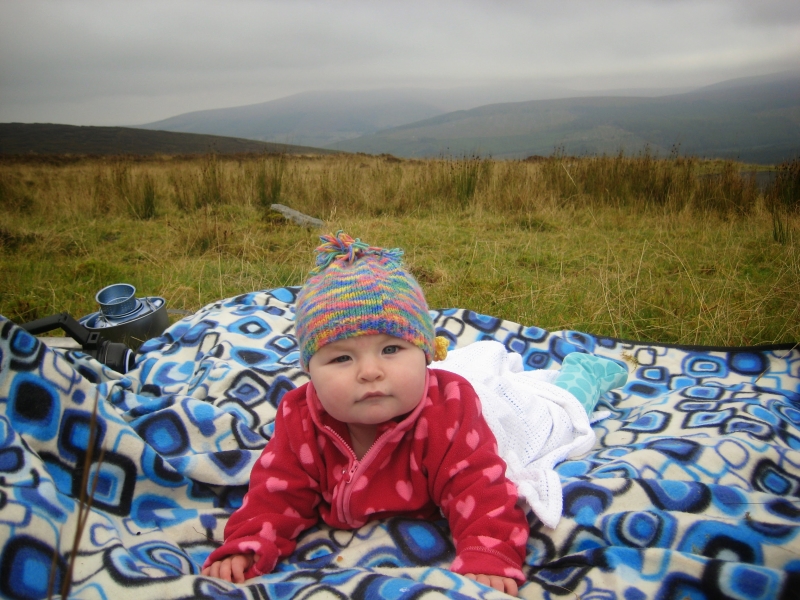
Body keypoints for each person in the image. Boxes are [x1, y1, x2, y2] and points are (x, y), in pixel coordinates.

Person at [202, 231, 529, 596]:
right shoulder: (301, 419)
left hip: (487, 411)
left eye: (391, 348)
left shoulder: (449, 409)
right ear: (310, 370)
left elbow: (480, 487)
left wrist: (489, 552)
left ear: (426, 353)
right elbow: (276, 493)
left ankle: (581, 378)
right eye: (341, 357)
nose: (370, 371)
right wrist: (250, 543)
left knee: (540, 406)